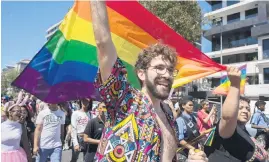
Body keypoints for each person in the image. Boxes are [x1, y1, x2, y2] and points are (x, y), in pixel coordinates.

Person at [90, 1, 207, 161]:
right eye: (159, 67)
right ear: (141, 74)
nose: (166, 74)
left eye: (170, 70)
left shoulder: (169, 115)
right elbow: (103, 45)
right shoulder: (125, 100)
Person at [205, 95, 268, 161]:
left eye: (248, 109)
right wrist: (235, 86)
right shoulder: (227, 127)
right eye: (240, 108)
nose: (245, 111)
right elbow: (227, 117)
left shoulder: (244, 130)